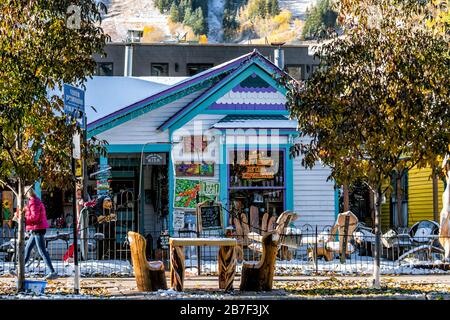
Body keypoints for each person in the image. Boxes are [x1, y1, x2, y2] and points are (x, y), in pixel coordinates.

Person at [16, 188, 57, 280]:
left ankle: (52, 272)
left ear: (27, 193)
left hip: (37, 228)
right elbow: (31, 213)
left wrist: (24, 218)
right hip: (36, 228)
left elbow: (34, 217)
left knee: (42, 251)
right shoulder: (33, 201)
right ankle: (18, 269)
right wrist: (22, 213)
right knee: (27, 249)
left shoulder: (33, 202)